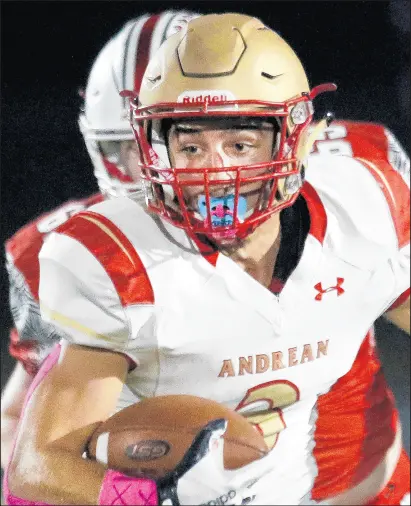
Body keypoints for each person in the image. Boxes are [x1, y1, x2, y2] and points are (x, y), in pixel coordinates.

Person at [4, 12, 410, 506]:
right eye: (187, 142)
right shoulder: (96, 256)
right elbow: (31, 454)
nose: (215, 175)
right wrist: (135, 496)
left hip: (362, 482)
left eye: (239, 142)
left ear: (296, 138)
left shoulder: (364, 197)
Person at [0, 9, 199, 470]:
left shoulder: (331, 211)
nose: (163, 175)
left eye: (186, 143)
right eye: (140, 147)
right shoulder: (69, 254)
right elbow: (20, 415)